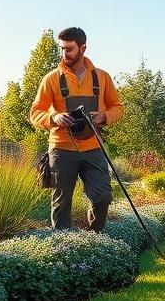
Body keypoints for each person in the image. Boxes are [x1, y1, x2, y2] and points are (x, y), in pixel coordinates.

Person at [29, 27, 124, 232]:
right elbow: (35, 112)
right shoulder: (51, 79)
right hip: (61, 149)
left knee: (102, 196)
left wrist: (105, 116)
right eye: (61, 49)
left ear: (83, 48)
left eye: (69, 49)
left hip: (93, 147)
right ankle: (64, 245)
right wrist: (54, 117)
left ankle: (93, 237)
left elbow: (118, 107)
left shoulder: (102, 77)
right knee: (61, 203)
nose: (64, 54)